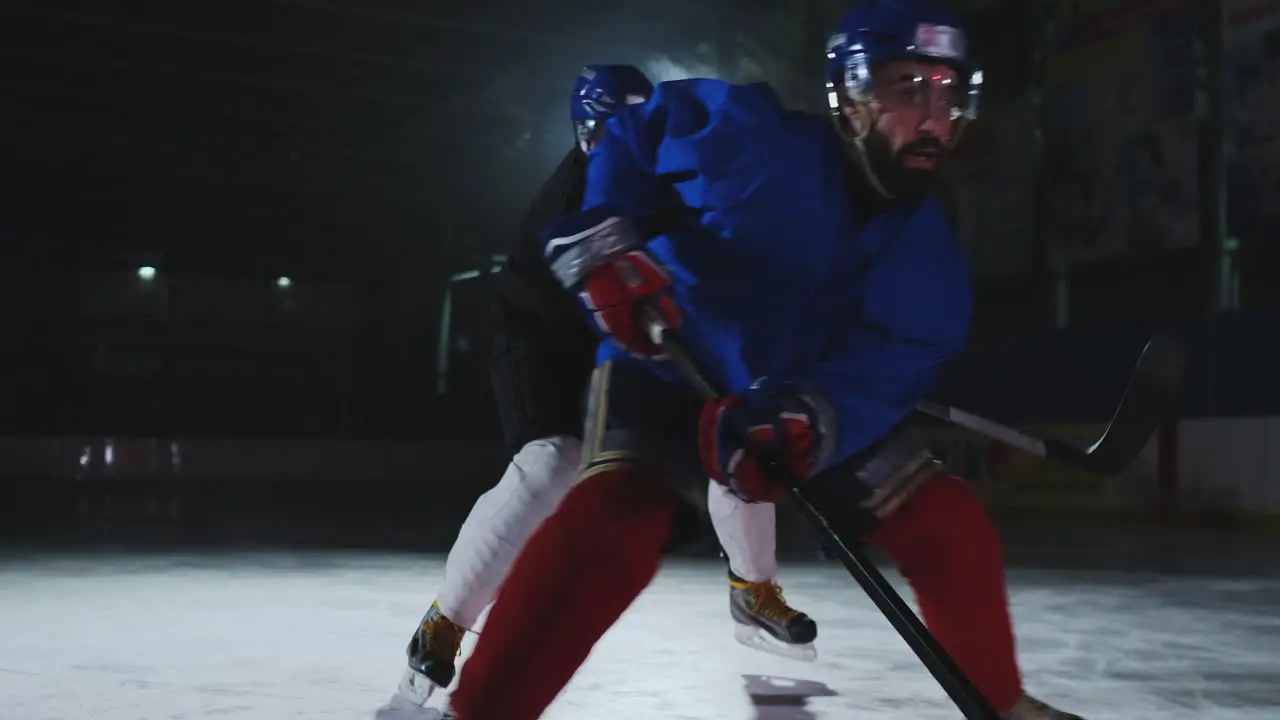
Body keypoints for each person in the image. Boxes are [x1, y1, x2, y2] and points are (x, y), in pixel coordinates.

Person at [439, 1, 1085, 719]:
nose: (933, 118)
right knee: (615, 526)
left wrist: (814, 420)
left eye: (948, 94)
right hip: (668, 368)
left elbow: (881, 374)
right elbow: (634, 127)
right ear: (852, 98)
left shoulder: (932, 266)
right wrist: (605, 235)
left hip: (788, 400)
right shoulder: (749, 141)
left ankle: (1001, 704)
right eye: (909, 89)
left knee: (943, 519)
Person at [399, 64, 816, 709]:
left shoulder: (668, 177)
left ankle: (753, 589)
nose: (613, 145)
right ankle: (445, 621)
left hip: (645, 333)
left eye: (630, 129)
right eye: (599, 131)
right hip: (544, 336)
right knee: (550, 463)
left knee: (741, 435)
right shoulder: (566, 200)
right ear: (580, 132)